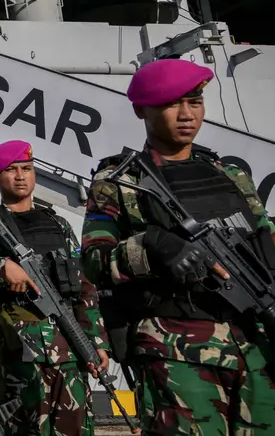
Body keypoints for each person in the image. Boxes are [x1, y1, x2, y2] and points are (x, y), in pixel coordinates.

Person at [82, 58, 275, 436]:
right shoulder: (119, 180)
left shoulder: (229, 174)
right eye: (172, 104)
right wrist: (154, 246)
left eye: (195, 101)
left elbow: (264, 238)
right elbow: (94, 260)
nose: (187, 114)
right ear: (141, 109)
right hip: (175, 346)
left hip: (255, 341)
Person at [0, 141, 109, 436]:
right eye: (11, 170)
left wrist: (96, 340)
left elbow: (84, 286)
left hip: (68, 351)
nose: (20, 176)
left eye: (26, 169)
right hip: (17, 354)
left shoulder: (58, 224)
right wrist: (1, 269)